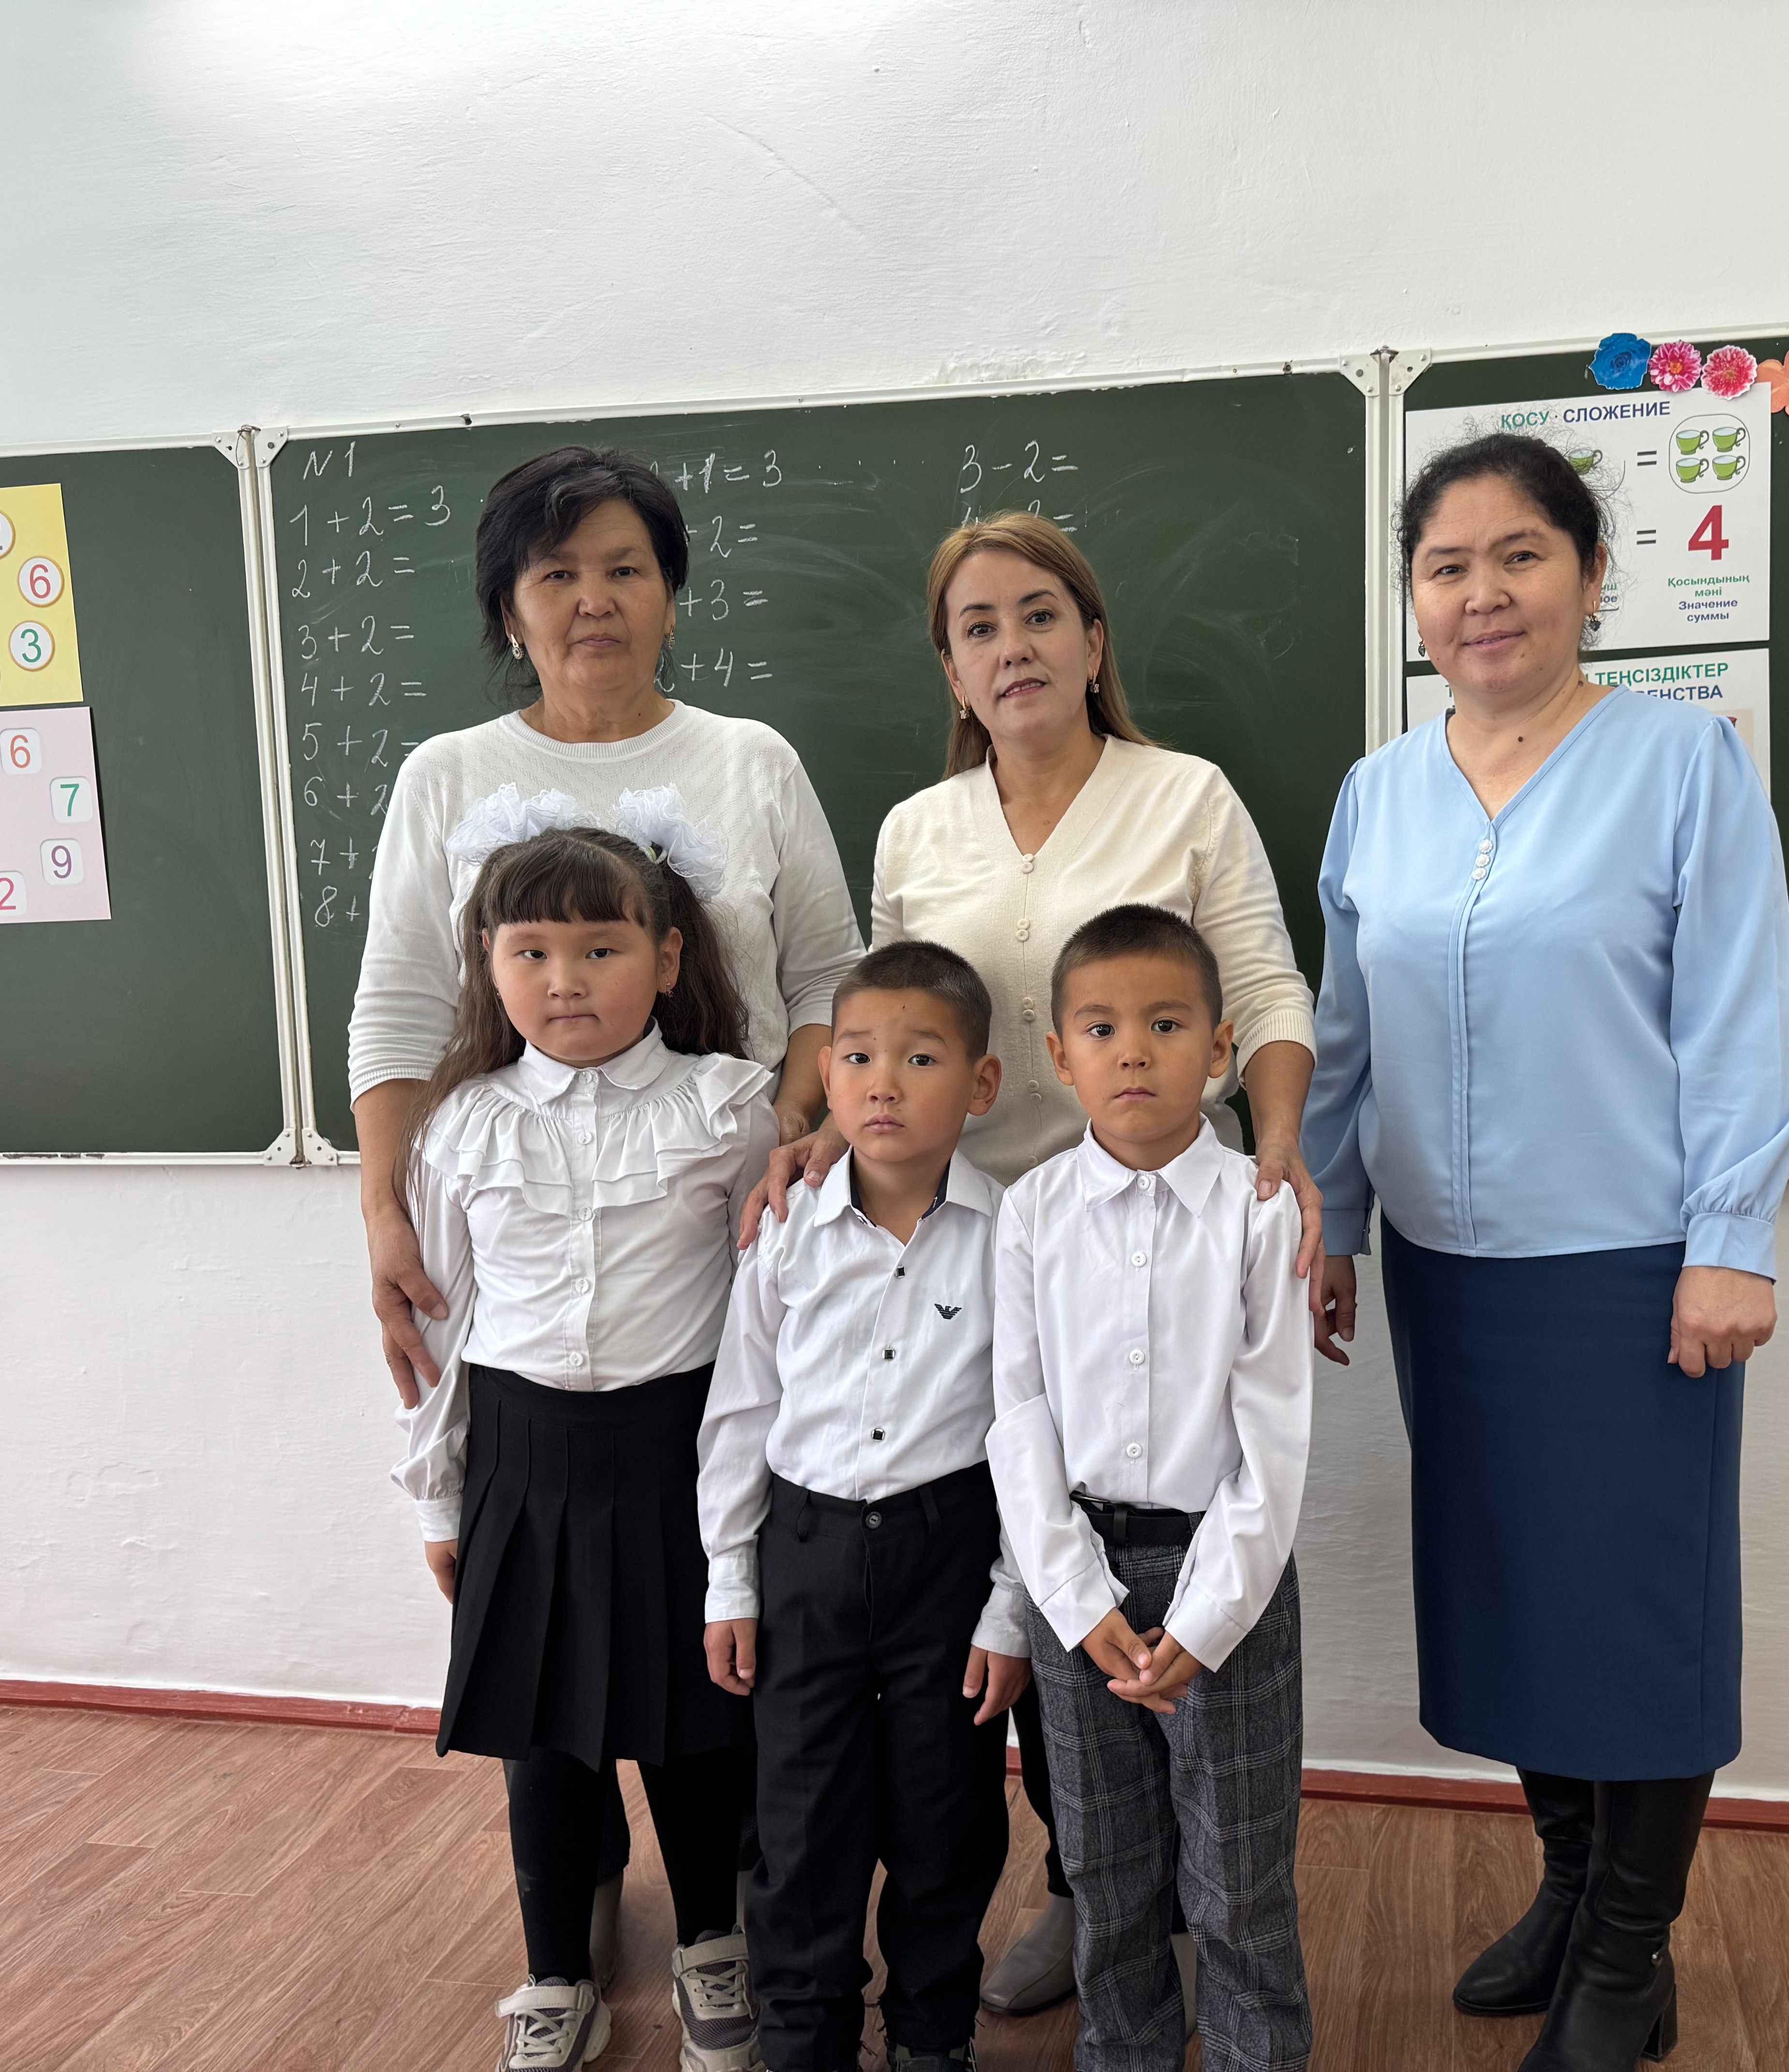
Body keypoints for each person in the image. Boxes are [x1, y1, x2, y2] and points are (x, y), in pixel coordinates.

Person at [746, 512, 1320, 2014]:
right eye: (980, 626)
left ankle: (1188, 1905)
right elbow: (887, 1015)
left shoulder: (1184, 795)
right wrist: (816, 1131)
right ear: (950, 667)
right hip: (972, 1239)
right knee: (1009, 1571)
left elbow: (1265, 988)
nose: (1015, 646)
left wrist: (1277, 1155)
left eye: (1042, 614)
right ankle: (1088, 1884)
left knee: (1145, 1542)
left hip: (1162, 1235)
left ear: (1094, 638)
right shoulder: (917, 830)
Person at [1304, 433, 1789, 2072]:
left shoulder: (1680, 762)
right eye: (1446, 567)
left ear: (1591, 577)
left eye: (1519, 555)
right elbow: (1343, 1035)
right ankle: (1574, 1881)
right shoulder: (1379, 793)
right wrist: (1331, 1216)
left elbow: (1740, 1010)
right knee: (1514, 1595)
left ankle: (1627, 1957)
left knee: (1636, 1611)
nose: (1483, 593)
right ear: (1413, 600)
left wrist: (1731, 1241)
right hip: (1448, 1270)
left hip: (1629, 1266)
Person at [391, 802, 779, 2072]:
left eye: (601, 948)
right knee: (543, 1728)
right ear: (490, 964)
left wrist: (753, 1501)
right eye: (533, 952)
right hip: (521, 1454)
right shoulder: (463, 1122)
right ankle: (556, 1971)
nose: (566, 980)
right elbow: (439, 1327)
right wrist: (438, 1494)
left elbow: (764, 1314)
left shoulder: (731, 1107)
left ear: (666, 958)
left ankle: (713, 1942)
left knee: (697, 1717)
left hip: (680, 1447)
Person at [356, 445, 863, 1406]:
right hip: (521, 1260)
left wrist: (790, 1128)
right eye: (557, 576)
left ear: (670, 601)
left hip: (744, 1221)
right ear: (510, 615)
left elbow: (829, 981)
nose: (595, 601)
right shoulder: (446, 777)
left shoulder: (752, 762)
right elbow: (401, 1011)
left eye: (626, 570)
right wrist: (385, 1214)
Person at [989, 904, 1314, 2072]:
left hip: (1222, 1575)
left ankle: (1255, 2054)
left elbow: (1273, 1433)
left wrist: (1209, 1615)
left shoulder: (1260, 1212)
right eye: (1102, 1029)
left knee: (1238, 1871)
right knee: (1107, 1865)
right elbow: (1018, 1418)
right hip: (1078, 1581)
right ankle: (1121, 2051)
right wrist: (1075, 1599)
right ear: (1059, 1055)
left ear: (1220, 1049)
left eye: (1166, 1026)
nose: (1133, 1052)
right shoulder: (1030, 1213)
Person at [696, 939, 1031, 2072]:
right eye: (857, 1057)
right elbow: (741, 1411)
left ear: (981, 1084)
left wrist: (1009, 1609)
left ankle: (933, 2037)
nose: (883, 1083)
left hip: (950, 1556)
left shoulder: (1012, 1239)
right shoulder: (785, 1227)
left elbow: (1031, 1435)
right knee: (800, 1822)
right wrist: (730, 1580)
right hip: (806, 1553)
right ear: (827, 1079)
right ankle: (804, 2037)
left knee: (948, 1818)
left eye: (920, 1058)